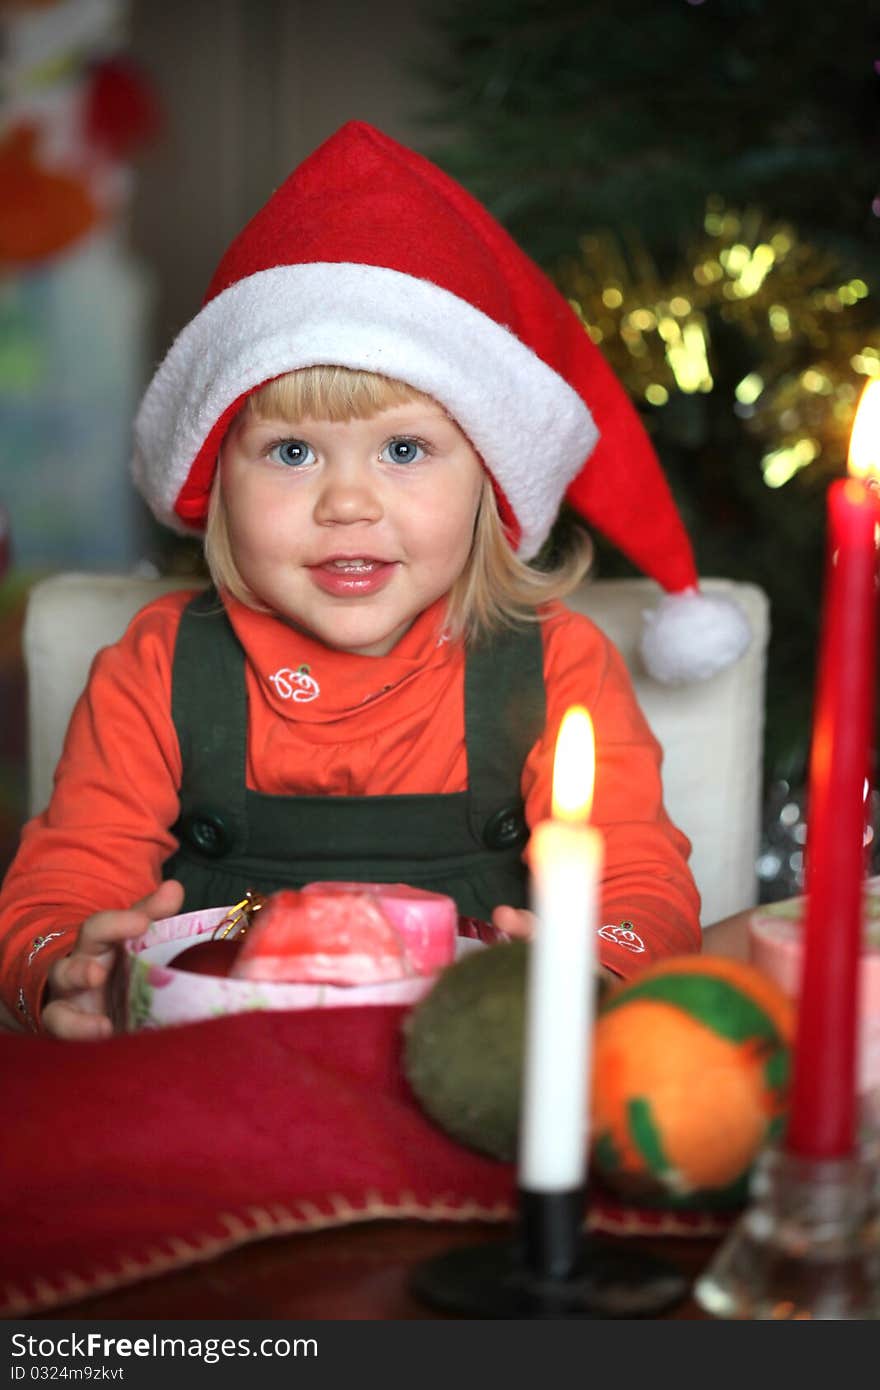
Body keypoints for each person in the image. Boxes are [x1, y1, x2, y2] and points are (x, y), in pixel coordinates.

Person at [0, 122, 750, 1040]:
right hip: (219, 1075)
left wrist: (603, 966)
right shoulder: (158, 669)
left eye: (404, 449)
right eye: (291, 451)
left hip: (479, 1077)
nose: (346, 501)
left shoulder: (556, 668)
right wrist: (61, 965)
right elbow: (68, 877)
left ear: (488, 483)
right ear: (216, 482)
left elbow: (633, 877)